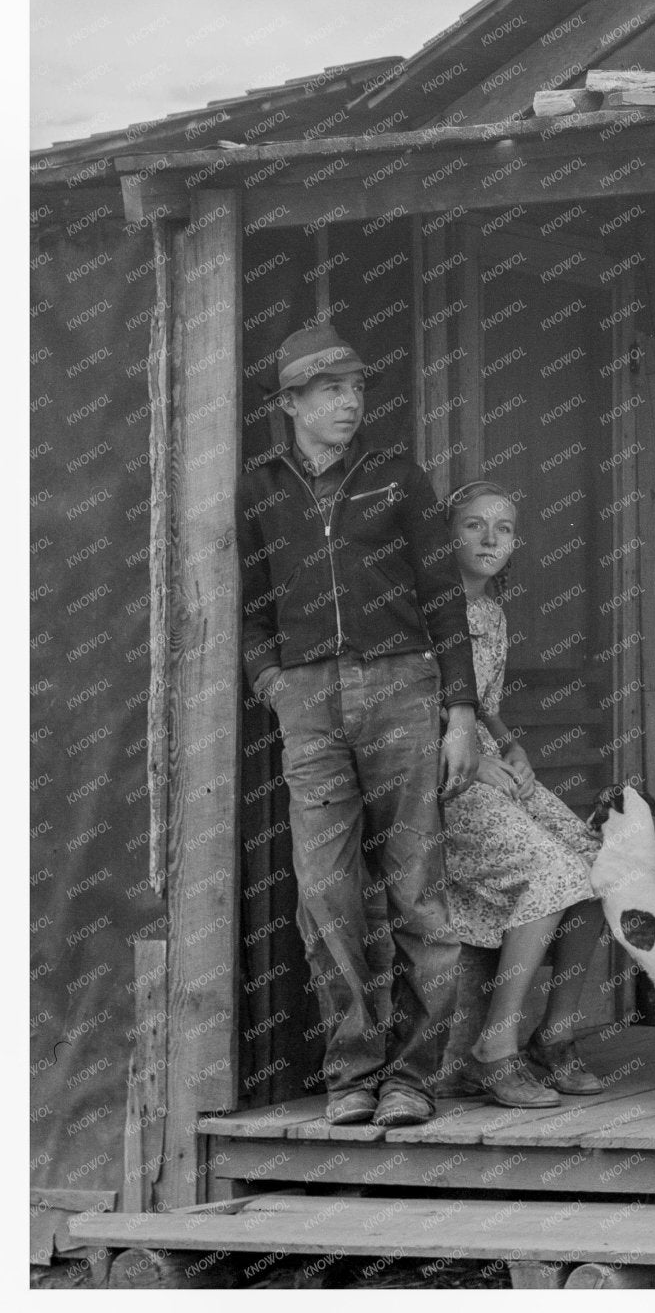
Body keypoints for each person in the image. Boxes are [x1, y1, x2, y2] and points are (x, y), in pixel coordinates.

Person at [237, 323, 477, 1129]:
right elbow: (250, 602)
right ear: (292, 403)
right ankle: (351, 1070)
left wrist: (463, 712)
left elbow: (446, 598)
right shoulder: (259, 487)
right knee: (326, 889)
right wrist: (272, 680)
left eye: (357, 389)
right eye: (330, 390)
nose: (349, 403)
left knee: (419, 886)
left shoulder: (400, 477)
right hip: (308, 700)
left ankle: (412, 1075)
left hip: (403, 688)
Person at [436, 481, 609, 1109]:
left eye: (503, 529)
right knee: (552, 871)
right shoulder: (427, 610)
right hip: (440, 774)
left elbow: (483, 703)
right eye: (473, 526)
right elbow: (403, 708)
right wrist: (474, 757)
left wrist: (510, 742)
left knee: (599, 862)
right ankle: (495, 1047)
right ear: (446, 535)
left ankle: (554, 1037)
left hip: (488, 758)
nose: (489, 539)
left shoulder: (490, 610)